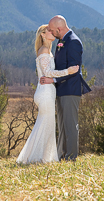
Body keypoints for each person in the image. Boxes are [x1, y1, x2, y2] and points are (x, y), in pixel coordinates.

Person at [16, 24, 79, 164]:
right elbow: (48, 73)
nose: (51, 32)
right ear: (42, 35)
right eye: (48, 31)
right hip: (45, 92)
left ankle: (42, 157)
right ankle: (34, 158)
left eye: (51, 30)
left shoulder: (48, 51)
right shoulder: (44, 51)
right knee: (45, 125)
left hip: (48, 91)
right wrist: (68, 71)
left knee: (46, 125)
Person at [41, 15, 91, 161]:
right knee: (62, 126)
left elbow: (73, 69)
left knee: (70, 125)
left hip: (70, 89)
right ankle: (62, 155)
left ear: (59, 28)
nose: (50, 31)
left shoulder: (74, 42)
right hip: (61, 89)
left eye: (51, 29)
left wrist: (54, 79)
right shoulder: (61, 42)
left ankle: (71, 157)